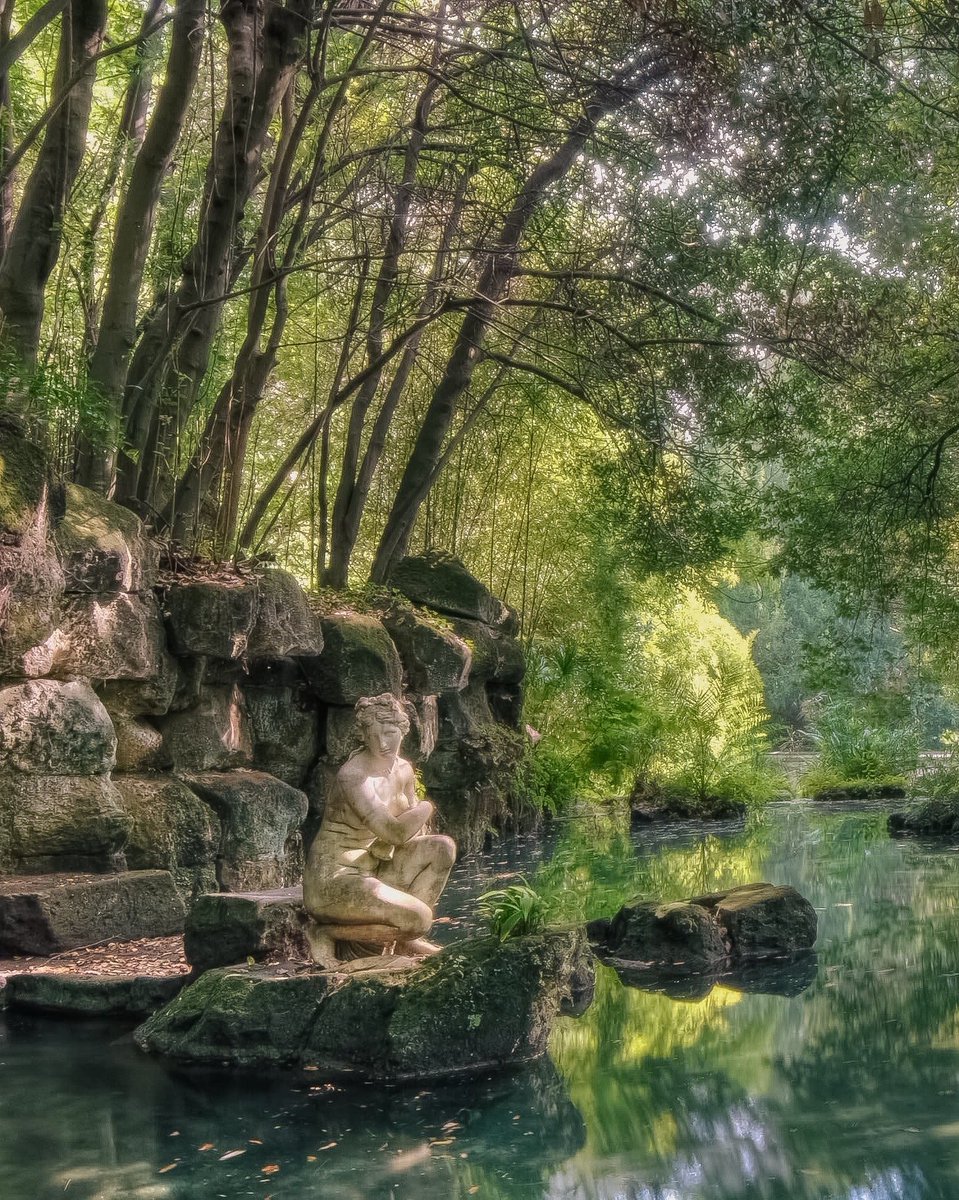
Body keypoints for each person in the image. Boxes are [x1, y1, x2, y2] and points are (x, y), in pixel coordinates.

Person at [303, 693, 456, 962]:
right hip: (336, 879)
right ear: (363, 736)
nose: (383, 743)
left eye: (390, 733)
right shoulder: (354, 776)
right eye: (373, 735)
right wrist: (427, 807)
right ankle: (327, 933)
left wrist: (411, 821)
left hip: (375, 866)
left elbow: (410, 833)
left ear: (403, 729)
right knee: (420, 918)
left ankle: (407, 940)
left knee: (442, 847)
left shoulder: (404, 770)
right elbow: (395, 832)